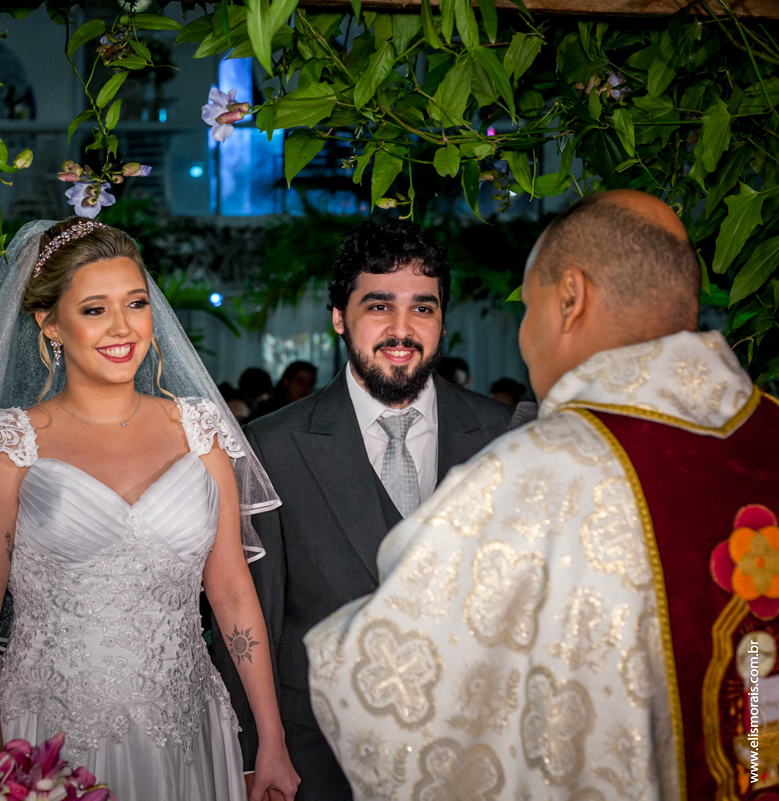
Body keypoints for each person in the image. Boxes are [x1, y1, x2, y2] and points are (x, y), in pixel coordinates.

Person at [305, 189, 779, 798]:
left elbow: (387, 686)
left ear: (570, 298)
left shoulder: (542, 472)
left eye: (526, 309)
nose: (525, 335)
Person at [0, 218, 301, 801]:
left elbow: (233, 593)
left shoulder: (202, 432)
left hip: (189, 729)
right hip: (50, 741)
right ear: (49, 323)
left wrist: (273, 740)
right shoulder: (8, 446)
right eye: (93, 309)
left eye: (135, 303)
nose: (122, 327)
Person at [213, 217, 512, 801]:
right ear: (338, 317)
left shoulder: (506, 436)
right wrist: (251, 753)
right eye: (379, 306)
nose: (402, 329)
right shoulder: (270, 446)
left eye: (422, 308)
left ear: (443, 320)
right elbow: (249, 612)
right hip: (318, 760)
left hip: (473, 756)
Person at [245, 362, 317, 422]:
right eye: (299, 381)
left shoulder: (314, 412)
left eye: (310, 383)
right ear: (286, 381)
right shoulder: (269, 410)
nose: (304, 387)